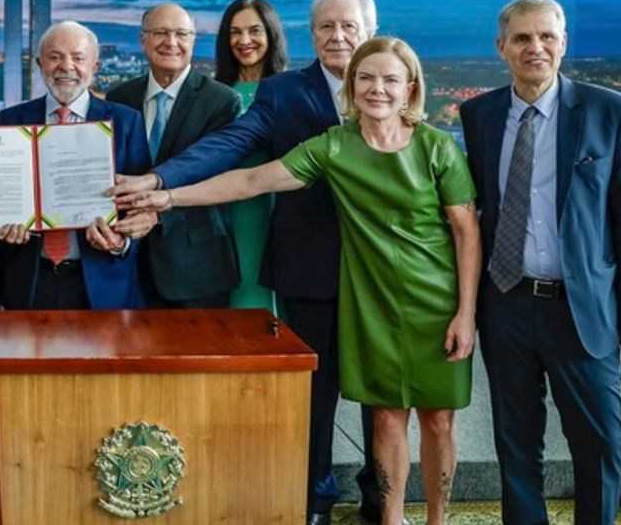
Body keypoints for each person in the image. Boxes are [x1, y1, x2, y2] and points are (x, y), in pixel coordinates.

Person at [120, 37, 480, 525]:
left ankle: (438, 520)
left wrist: (465, 313)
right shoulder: (334, 146)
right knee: (386, 416)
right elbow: (252, 181)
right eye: (366, 78)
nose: (377, 88)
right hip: (372, 304)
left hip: (438, 304)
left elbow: (466, 230)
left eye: (390, 79)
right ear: (351, 85)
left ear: (410, 88)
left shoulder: (437, 146)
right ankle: (392, 520)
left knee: (438, 420)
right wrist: (167, 197)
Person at [111, 0, 387, 524]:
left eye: (348, 26)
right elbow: (229, 148)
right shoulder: (282, 93)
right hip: (311, 266)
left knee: (382, 394)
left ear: (369, 31)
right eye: (326, 27)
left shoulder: (393, 82)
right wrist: (160, 180)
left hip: (383, 269)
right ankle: (314, 498)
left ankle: (383, 496)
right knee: (315, 390)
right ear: (311, 35)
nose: (337, 36)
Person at [460, 0, 621, 524]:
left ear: (564, 43)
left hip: (582, 307)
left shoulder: (612, 112)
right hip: (506, 303)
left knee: (601, 441)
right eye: (522, 38)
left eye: (547, 36)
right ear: (501, 47)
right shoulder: (478, 116)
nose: (536, 47)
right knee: (516, 443)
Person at [0, 20, 152, 309]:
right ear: (40, 64)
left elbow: (141, 205)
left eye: (78, 58)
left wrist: (122, 242)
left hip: (103, 278)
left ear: (95, 66)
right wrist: (0, 225)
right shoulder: (10, 120)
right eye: (55, 57)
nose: (66, 67)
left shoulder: (127, 122)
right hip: (30, 279)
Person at [106, 3, 241, 307]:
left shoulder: (221, 101)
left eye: (181, 34)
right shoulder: (120, 97)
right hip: (130, 261)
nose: (171, 42)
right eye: (161, 33)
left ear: (193, 40)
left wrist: (157, 215)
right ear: (143, 39)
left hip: (197, 267)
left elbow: (212, 174)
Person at [212, 0, 288, 313]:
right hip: (225, 214)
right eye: (235, 32)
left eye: (254, 31)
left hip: (277, 211)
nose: (244, 41)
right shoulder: (214, 95)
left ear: (271, 34)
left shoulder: (291, 90)